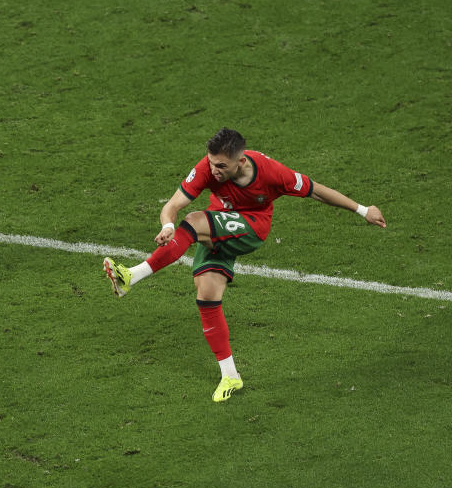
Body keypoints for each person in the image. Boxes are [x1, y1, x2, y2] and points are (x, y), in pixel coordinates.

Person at [103, 128, 387, 403]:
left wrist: (363, 210)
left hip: (251, 227)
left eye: (221, 166)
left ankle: (131, 276)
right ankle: (230, 376)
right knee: (207, 293)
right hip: (220, 225)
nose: (213, 170)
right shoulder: (207, 166)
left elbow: (315, 190)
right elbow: (173, 204)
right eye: (212, 163)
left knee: (194, 222)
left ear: (241, 161)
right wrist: (167, 224)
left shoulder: (272, 172)